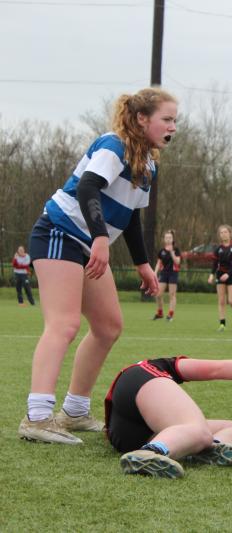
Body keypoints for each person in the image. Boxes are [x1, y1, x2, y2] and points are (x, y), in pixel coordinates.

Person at [18, 87, 176, 444]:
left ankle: (74, 412)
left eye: (174, 120)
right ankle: (37, 417)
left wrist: (143, 264)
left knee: (108, 327)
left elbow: (132, 217)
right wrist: (101, 238)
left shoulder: (148, 164)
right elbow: (88, 187)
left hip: (88, 243)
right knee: (64, 324)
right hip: (59, 232)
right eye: (167, 119)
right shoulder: (113, 145)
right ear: (142, 119)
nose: (173, 127)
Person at [106, 355, 232, 478]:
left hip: (130, 436)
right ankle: (151, 452)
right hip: (138, 378)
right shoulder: (163, 366)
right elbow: (219, 368)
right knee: (198, 430)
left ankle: (207, 449)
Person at [208, 224, 232, 333]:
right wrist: (211, 275)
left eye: (225, 232)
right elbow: (215, 264)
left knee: (231, 301)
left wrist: (228, 274)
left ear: (230, 234)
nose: (223, 234)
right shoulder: (218, 249)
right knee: (221, 301)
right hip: (220, 275)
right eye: (221, 233)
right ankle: (222, 324)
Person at [153, 229, 181, 321]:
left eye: (170, 238)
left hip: (173, 273)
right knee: (158, 294)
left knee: (172, 295)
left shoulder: (176, 250)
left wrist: (172, 253)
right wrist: (155, 273)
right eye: (166, 238)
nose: (168, 239)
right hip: (164, 273)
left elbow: (177, 262)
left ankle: (170, 315)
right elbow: (158, 263)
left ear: (173, 239)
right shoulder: (161, 251)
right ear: (164, 239)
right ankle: (160, 313)